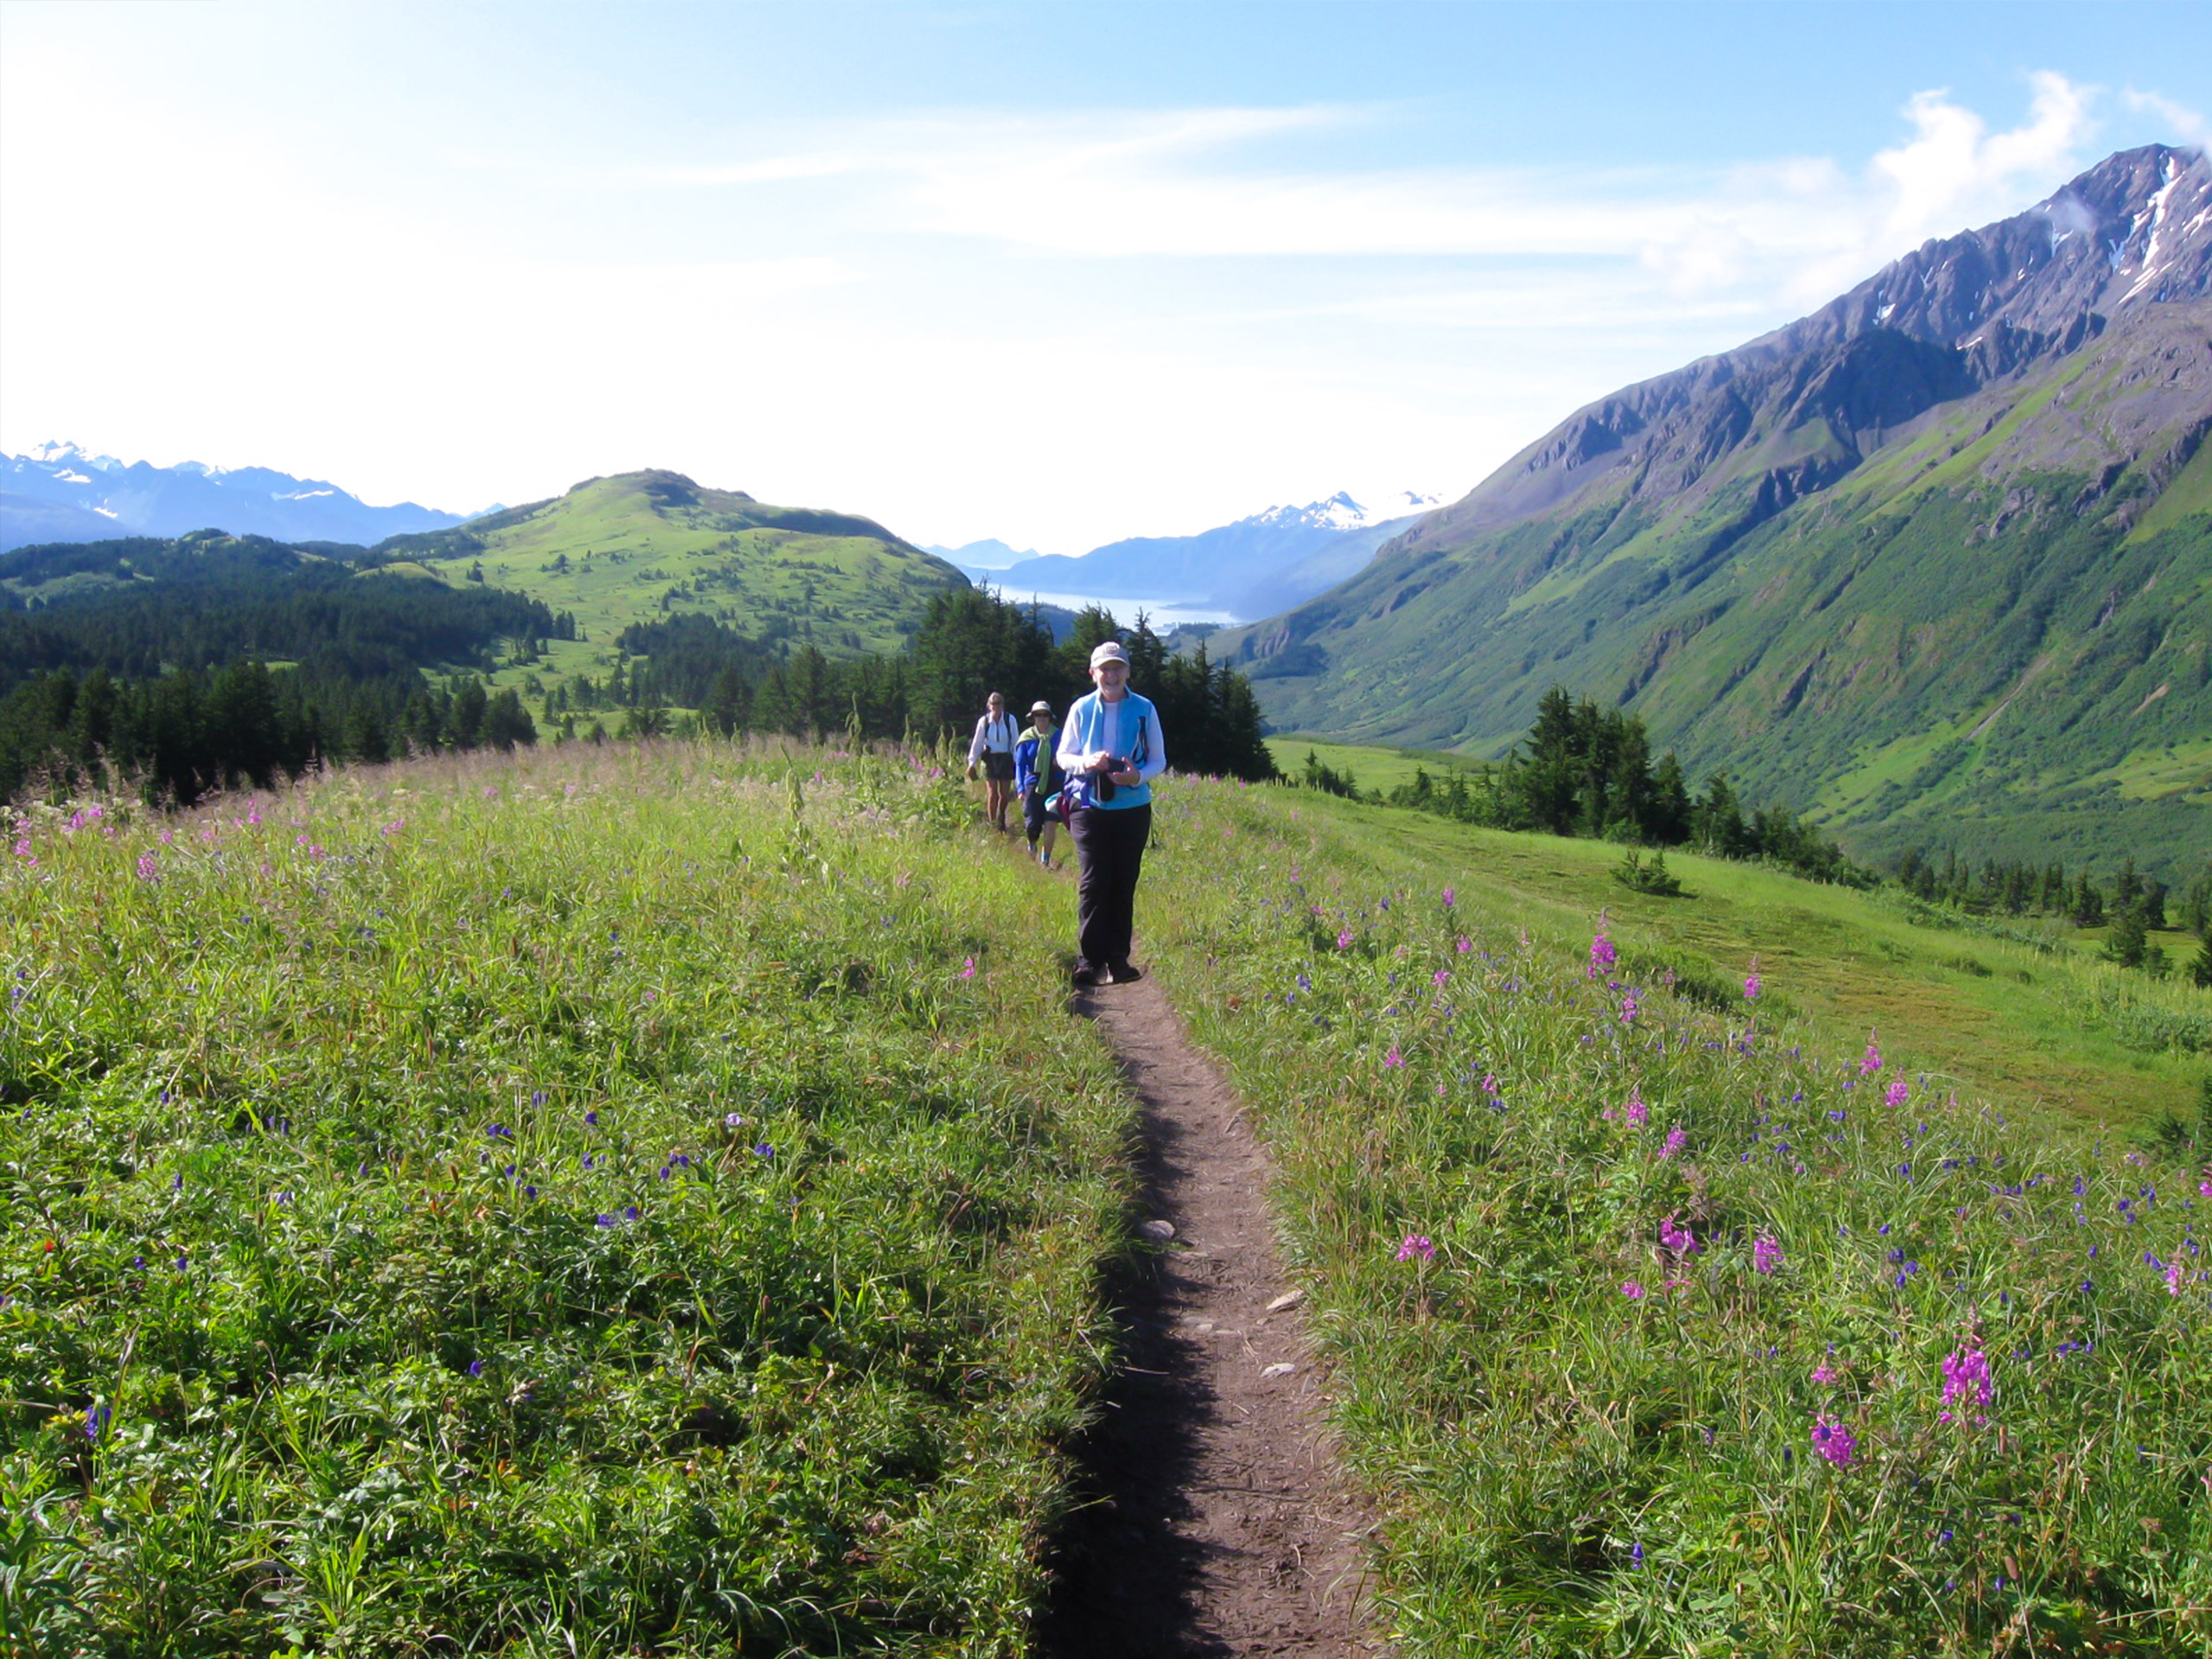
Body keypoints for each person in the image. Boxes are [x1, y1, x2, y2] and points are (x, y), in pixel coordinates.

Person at [1055, 639, 1166, 987]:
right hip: (1088, 804)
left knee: (1122, 882)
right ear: (1093, 673)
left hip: (1132, 807)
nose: (1112, 674)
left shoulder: (1146, 708)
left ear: (1128, 672)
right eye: (1105, 668)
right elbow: (1063, 756)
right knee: (1093, 882)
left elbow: (1159, 760)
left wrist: (1137, 776)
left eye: (1118, 667)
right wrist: (1086, 762)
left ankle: (1119, 960)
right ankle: (1090, 960)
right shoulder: (1080, 708)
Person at [1013, 698, 1065, 868]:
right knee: (1033, 823)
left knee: (1051, 821)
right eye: (1038, 715)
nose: (1041, 718)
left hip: (1055, 783)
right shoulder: (1026, 739)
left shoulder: (1059, 736)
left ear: (1050, 717)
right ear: (1033, 717)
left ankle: (1045, 859)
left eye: (1044, 715)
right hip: (1033, 783)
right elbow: (1020, 766)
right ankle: (1032, 843)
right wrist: (1020, 788)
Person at [965, 690, 1019, 833]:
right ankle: (992, 823)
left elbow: (1015, 741)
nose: (996, 706)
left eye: (999, 703)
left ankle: (1001, 819)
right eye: (993, 704)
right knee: (992, 793)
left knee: (1005, 794)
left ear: (1002, 705)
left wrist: (1017, 761)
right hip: (989, 759)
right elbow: (977, 742)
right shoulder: (984, 721)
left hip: (1006, 758)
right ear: (989, 706)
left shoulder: (1010, 720)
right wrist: (971, 763)